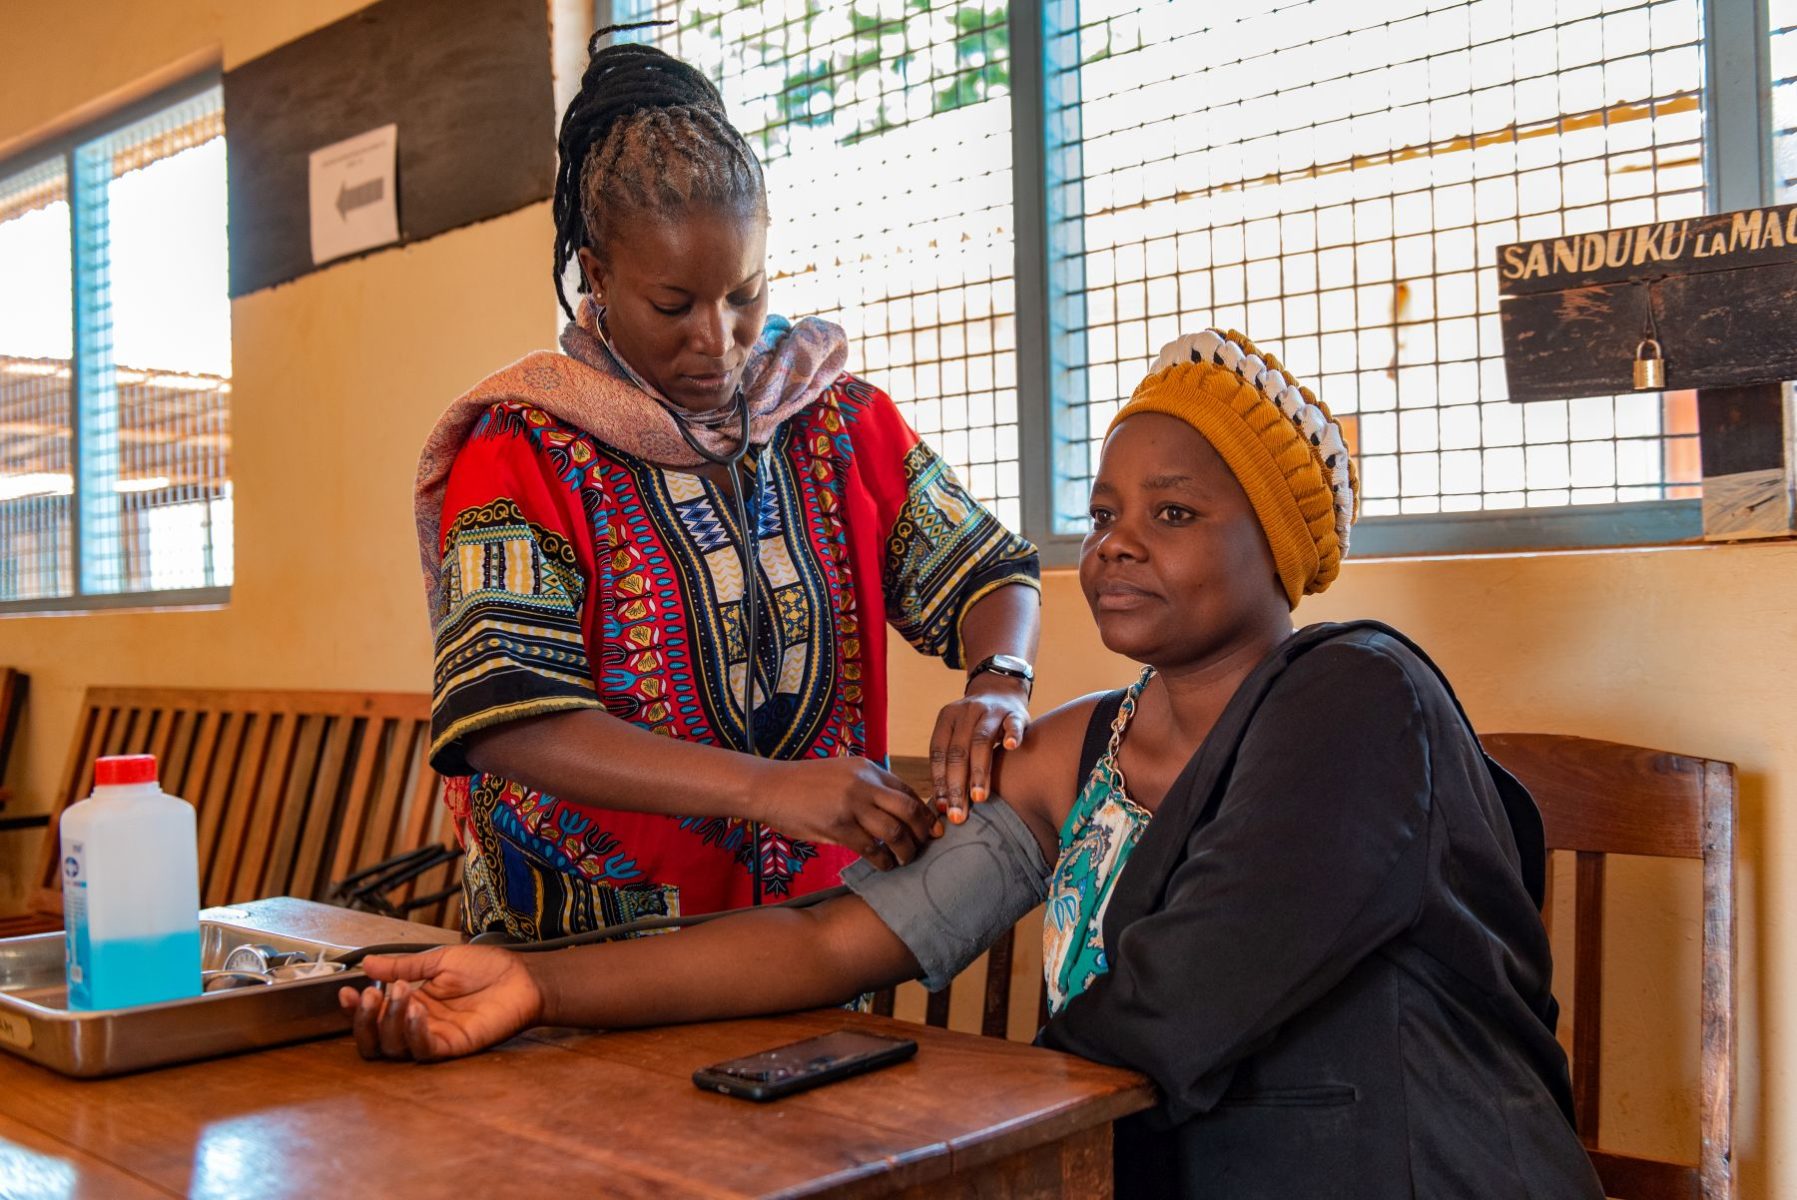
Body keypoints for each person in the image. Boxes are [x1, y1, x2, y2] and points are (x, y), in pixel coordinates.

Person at [367, 328, 1602, 1198]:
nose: (1118, 545)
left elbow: (1169, 1010)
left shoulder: (1355, 700)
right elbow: (828, 942)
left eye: (1173, 514)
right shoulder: (1081, 752)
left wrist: (952, 1138)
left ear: (1275, 551)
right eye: (1108, 513)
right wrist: (537, 986)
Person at [412, 28, 1041, 940]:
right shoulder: (525, 447)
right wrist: (766, 789)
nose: (718, 338)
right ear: (597, 274)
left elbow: (987, 574)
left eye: (744, 294)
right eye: (673, 305)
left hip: (814, 947)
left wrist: (1000, 679)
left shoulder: (833, 420)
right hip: (579, 957)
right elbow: (506, 717)